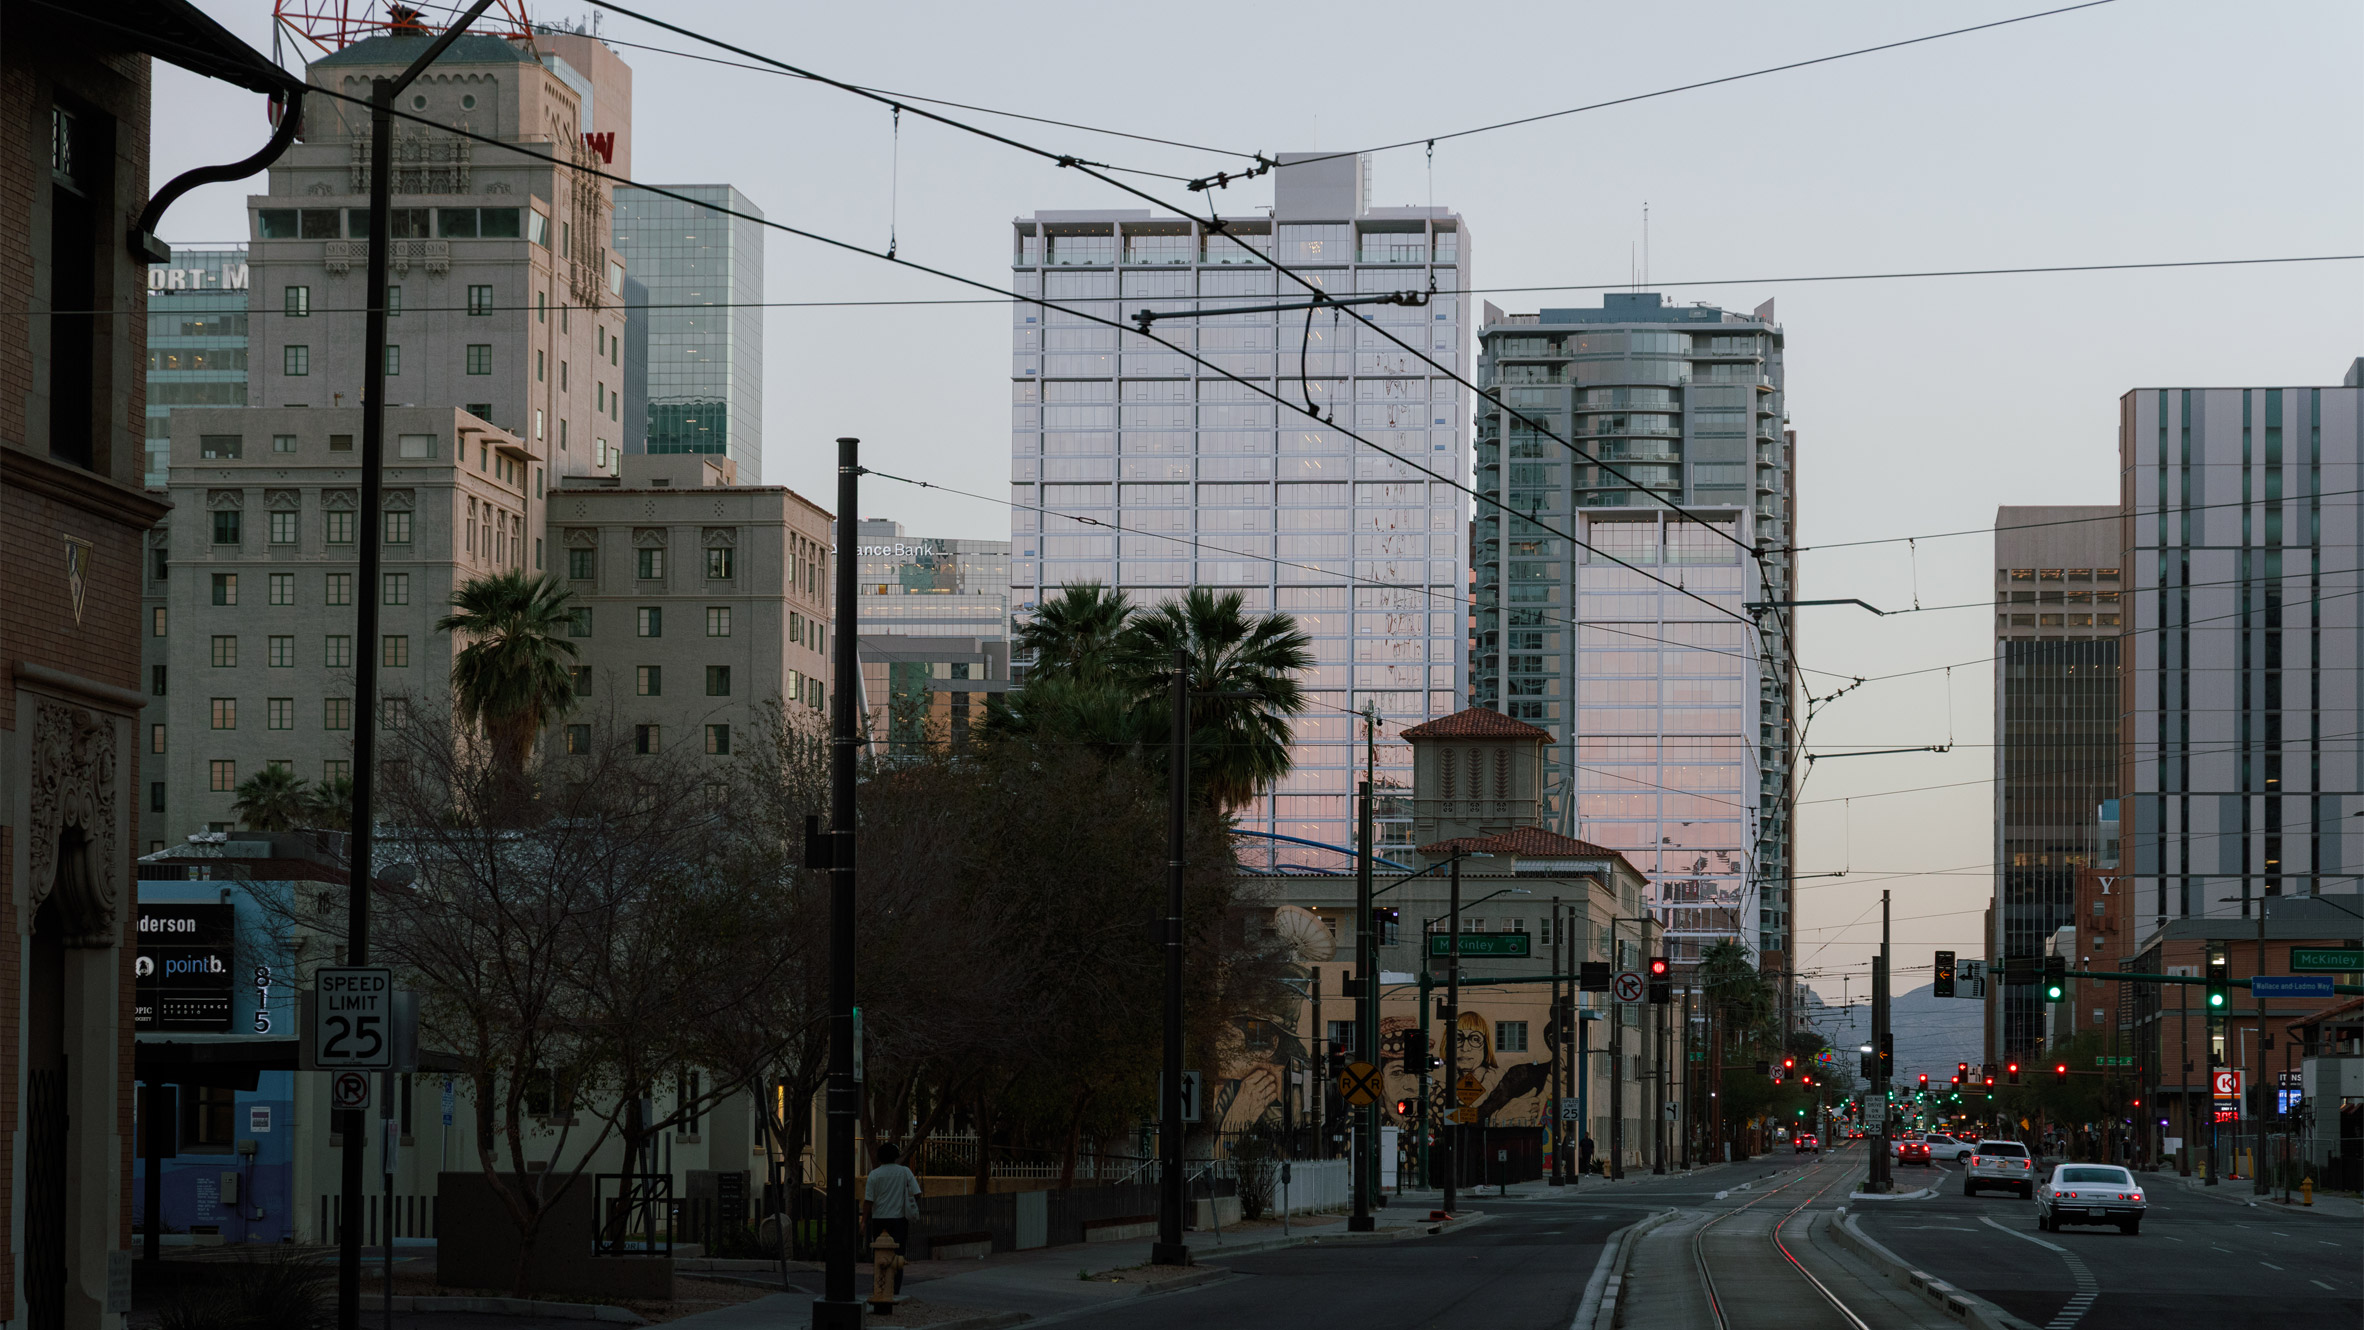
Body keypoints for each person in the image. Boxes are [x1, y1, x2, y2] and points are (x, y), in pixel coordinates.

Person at [863, 1142, 922, 1273]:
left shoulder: (874, 1174)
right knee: (898, 1255)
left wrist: (863, 1222)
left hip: (879, 1219)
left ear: (879, 1157)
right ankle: (895, 1282)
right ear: (896, 1156)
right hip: (899, 1219)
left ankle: (880, 1279)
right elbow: (917, 1193)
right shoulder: (905, 1172)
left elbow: (868, 1200)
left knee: (880, 1253)